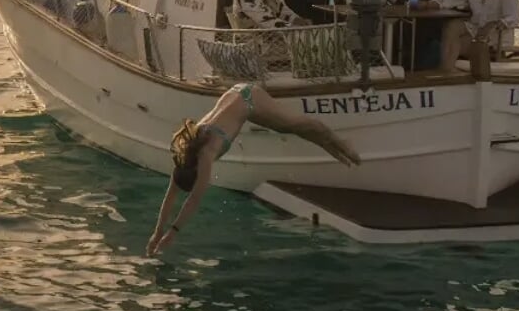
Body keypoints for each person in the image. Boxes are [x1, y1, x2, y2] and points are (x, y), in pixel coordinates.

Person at [145, 82, 359, 255]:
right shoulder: (184, 155)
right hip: (238, 97)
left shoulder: (206, 155)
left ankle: (342, 144)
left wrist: (172, 233)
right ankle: (335, 149)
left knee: (304, 125)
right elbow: (170, 196)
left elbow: (194, 199)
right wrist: (157, 233)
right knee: (295, 129)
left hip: (249, 97)